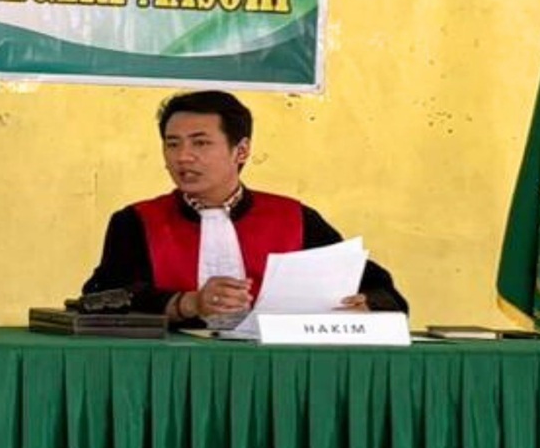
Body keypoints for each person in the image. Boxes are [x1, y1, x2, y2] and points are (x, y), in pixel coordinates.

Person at [82, 90, 408, 324]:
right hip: (172, 371)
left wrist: (367, 306)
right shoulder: (136, 221)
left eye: (200, 143)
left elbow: (382, 291)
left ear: (241, 151)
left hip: (274, 373)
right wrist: (188, 303)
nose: (183, 157)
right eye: (172, 144)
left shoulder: (294, 218)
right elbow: (99, 300)